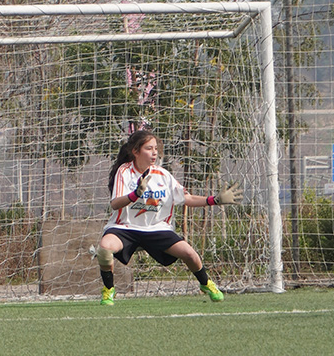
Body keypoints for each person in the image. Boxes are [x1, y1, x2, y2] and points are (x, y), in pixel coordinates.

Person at [95, 129, 242, 306]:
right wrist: (135, 195)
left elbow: (186, 198)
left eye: (155, 148)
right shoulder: (124, 172)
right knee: (104, 249)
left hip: (157, 229)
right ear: (135, 151)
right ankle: (109, 290)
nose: (154, 153)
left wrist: (214, 200)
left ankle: (205, 283)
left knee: (189, 254)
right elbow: (115, 204)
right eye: (149, 148)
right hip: (125, 227)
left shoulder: (163, 175)